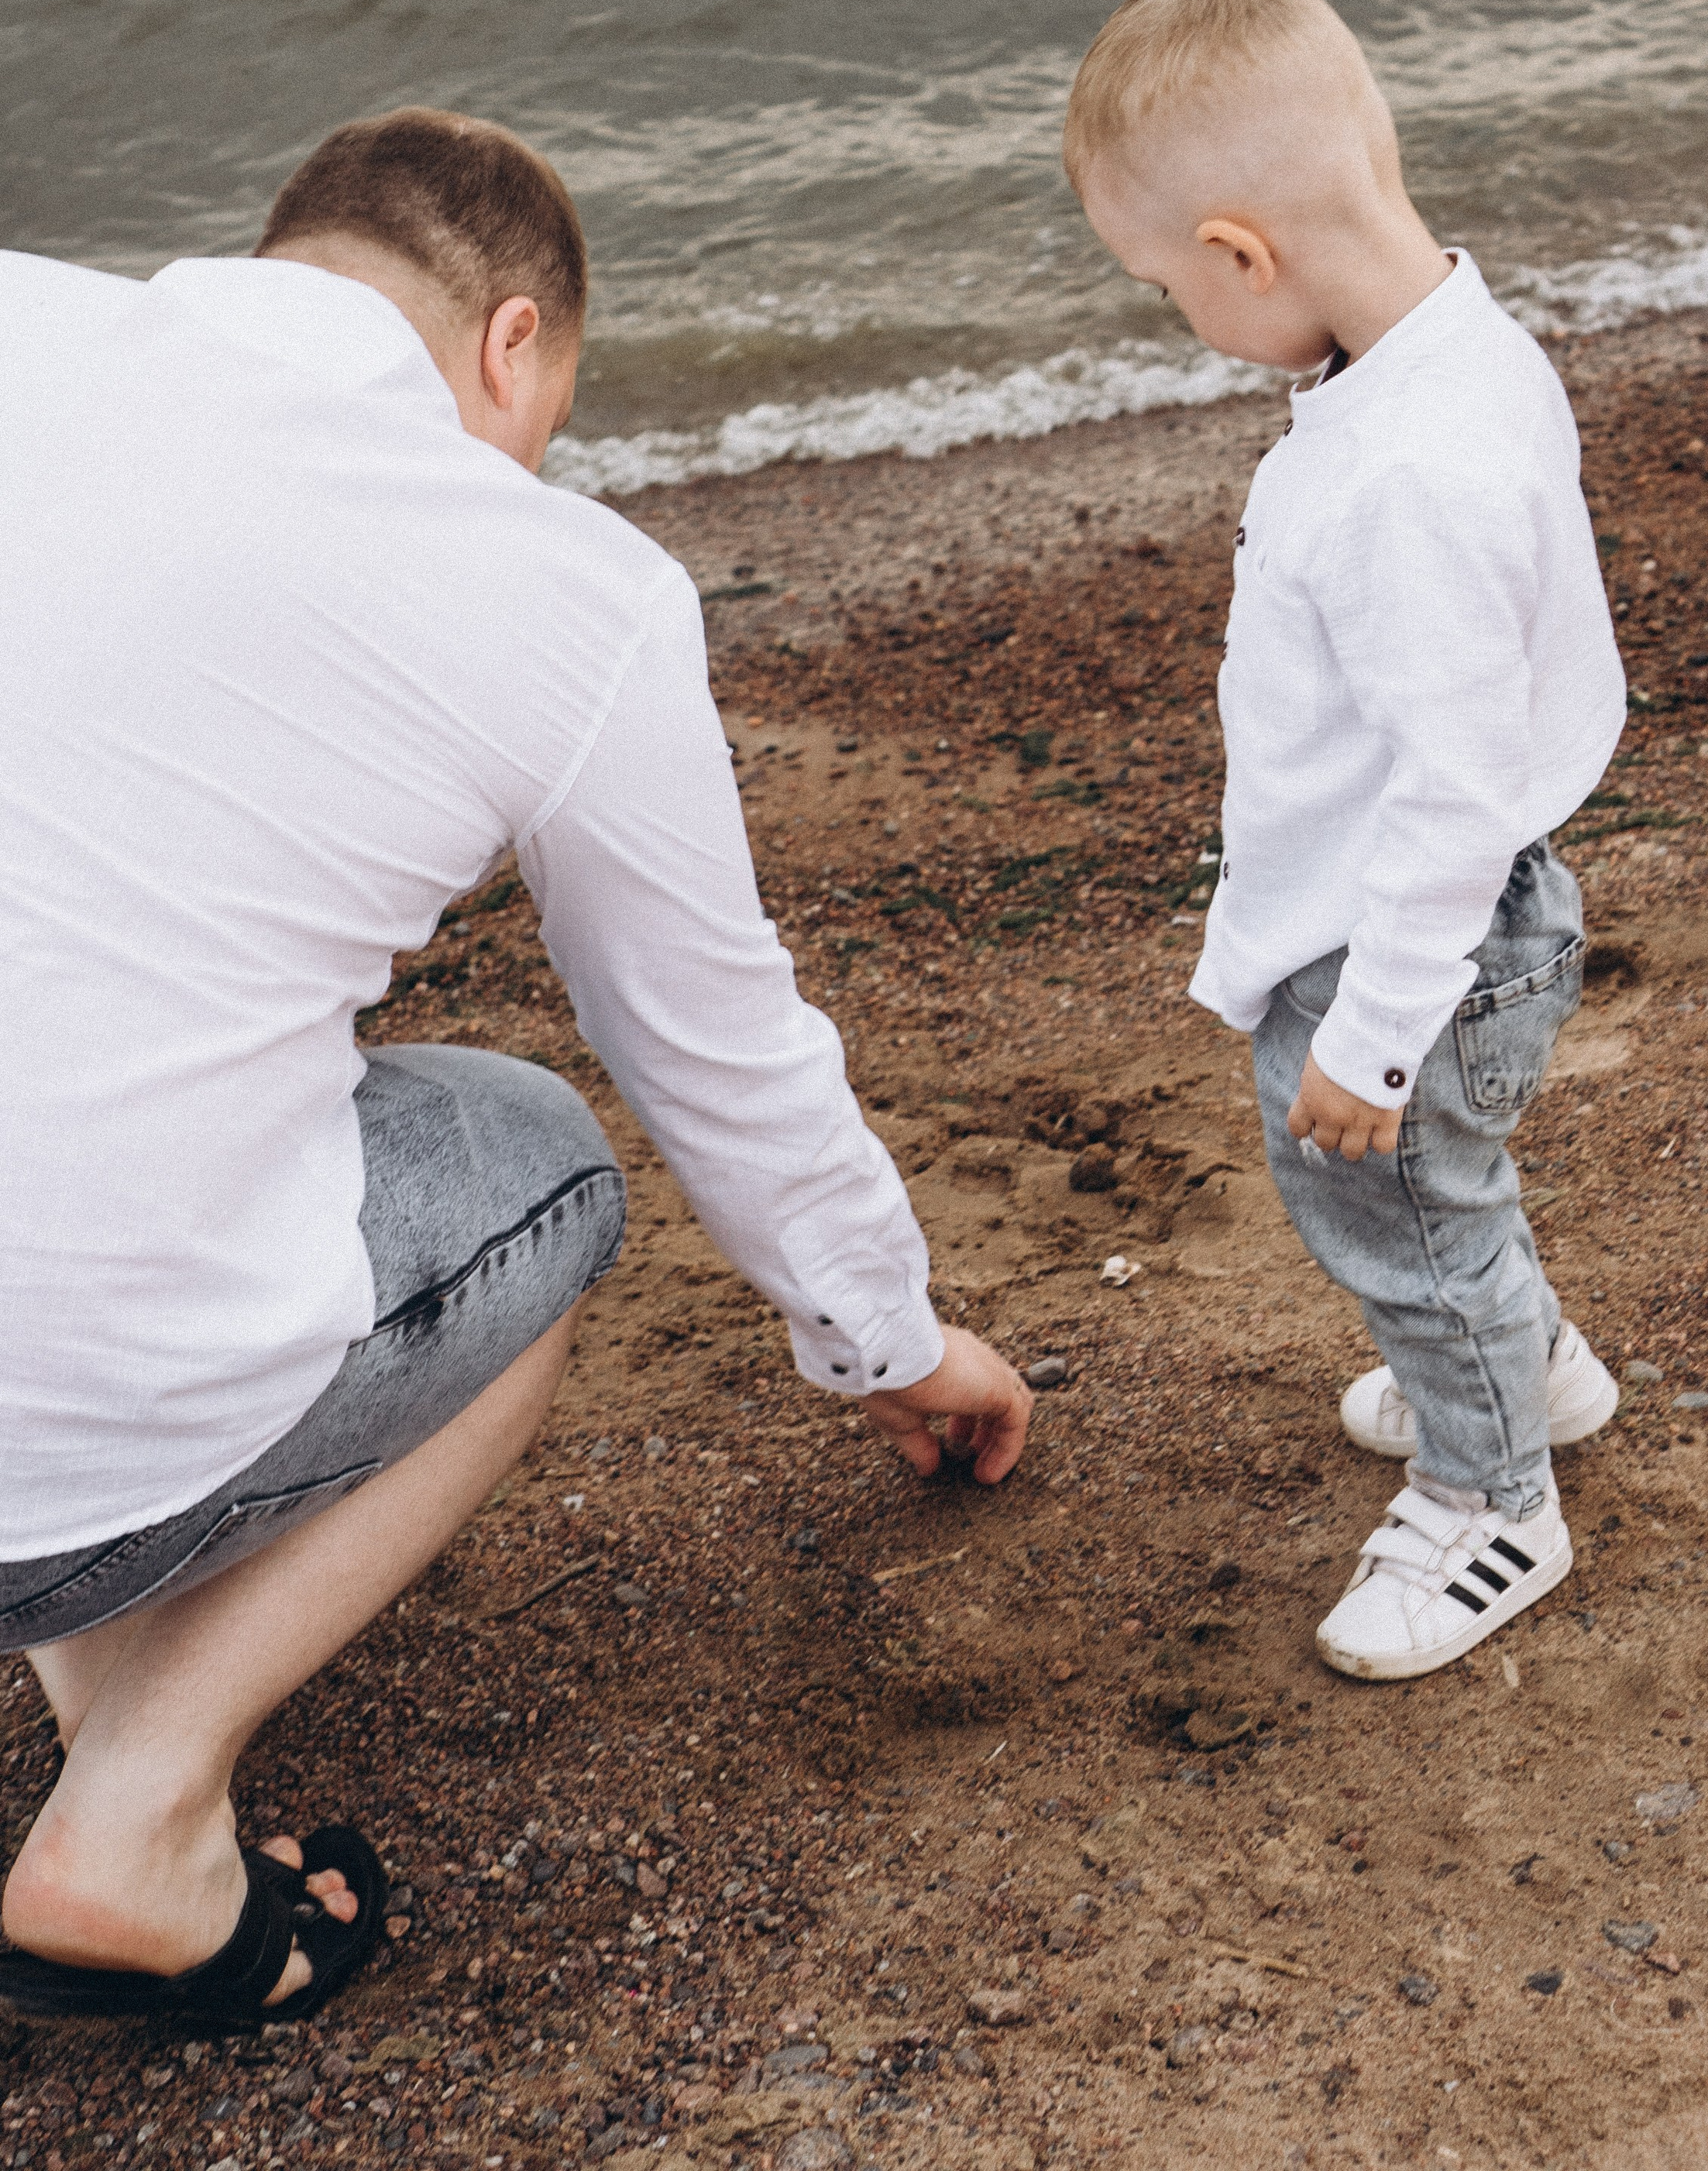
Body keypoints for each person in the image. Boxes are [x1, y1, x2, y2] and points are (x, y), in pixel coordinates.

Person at [0, 110, 1032, 2031]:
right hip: (60, 1445)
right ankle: (131, 1819)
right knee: (534, 1164)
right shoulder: (568, 586)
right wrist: (888, 1341)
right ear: (511, 344)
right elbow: (714, 1046)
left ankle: (98, 1655)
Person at [1064, 0, 1625, 1681]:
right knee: (1445, 1189)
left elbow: (1448, 794)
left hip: (1404, 937)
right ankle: (1520, 1361)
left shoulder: (1403, 474)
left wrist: (1374, 1038)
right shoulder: (1457, 344)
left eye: (1169, 287)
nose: (1184, 315)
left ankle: (1490, 1499)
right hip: (1457, 899)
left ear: (1241, 253)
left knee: (1393, 1206)